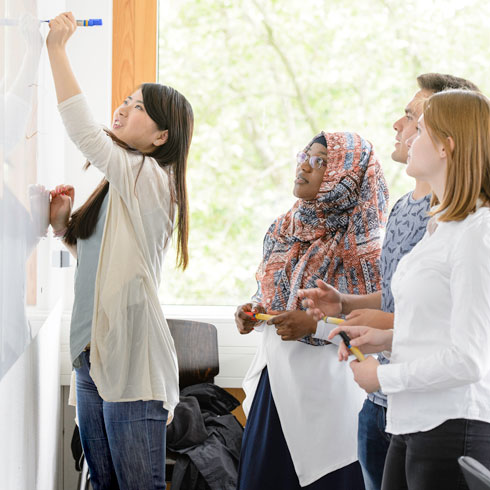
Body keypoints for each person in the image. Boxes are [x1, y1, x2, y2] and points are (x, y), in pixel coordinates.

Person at [299, 73, 480, 490]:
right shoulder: (438, 225)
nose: (403, 132)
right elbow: (422, 315)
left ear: (446, 143)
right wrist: (378, 337)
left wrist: (384, 372)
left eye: (418, 125)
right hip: (406, 410)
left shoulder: (476, 231)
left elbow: (469, 354)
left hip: (444, 415)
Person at [47, 13, 193, 489]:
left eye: (139, 108)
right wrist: (63, 227)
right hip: (90, 353)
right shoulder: (119, 184)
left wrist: (56, 49)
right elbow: (104, 261)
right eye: (126, 101)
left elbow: (83, 131)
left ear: (161, 137)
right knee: (101, 483)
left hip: (130, 356)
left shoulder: (149, 177)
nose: (124, 109)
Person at [235, 131, 389, 489]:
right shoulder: (284, 228)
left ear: (344, 179)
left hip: (329, 396)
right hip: (275, 386)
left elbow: (371, 324)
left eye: (321, 162)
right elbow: (272, 297)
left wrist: (314, 326)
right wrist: (253, 314)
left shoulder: (362, 242)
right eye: (305, 156)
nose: (304, 166)